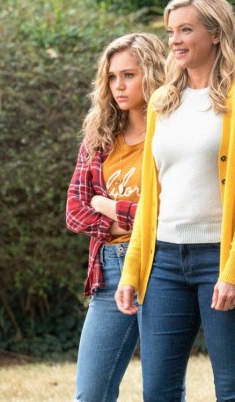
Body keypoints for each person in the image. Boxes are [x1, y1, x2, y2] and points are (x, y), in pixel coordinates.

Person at [115, 0, 235, 402]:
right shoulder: (162, 101)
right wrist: (133, 269)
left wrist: (233, 270)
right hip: (164, 262)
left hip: (220, 257)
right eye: (171, 31)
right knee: (158, 392)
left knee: (233, 392)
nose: (175, 40)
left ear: (216, 33)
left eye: (186, 30)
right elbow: (151, 195)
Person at [65, 32, 166, 402]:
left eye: (129, 75)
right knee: (90, 394)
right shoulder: (100, 138)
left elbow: (169, 214)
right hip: (109, 270)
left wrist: (107, 205)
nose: (119, 85)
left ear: (152, 74)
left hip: (162, 267)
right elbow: (75, 212)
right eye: (112, 77)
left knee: (163, 392)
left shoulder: (171, 135)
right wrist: (133, 219)